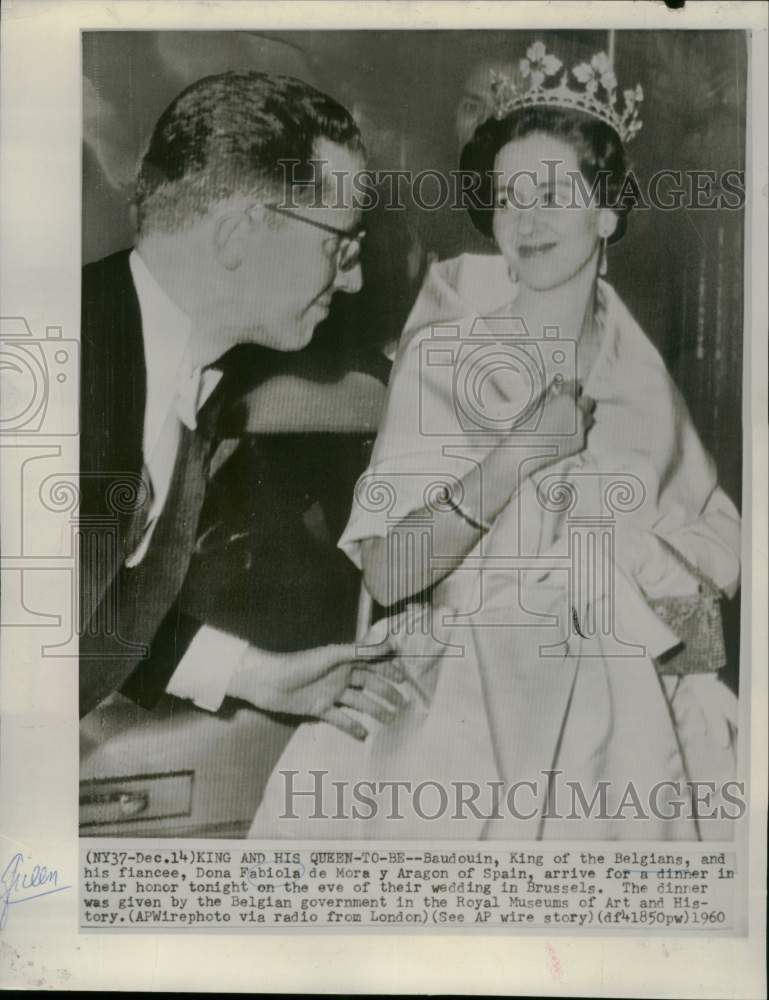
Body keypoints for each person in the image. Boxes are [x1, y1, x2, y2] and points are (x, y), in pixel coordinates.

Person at [250, 43, 741, 840]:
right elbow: (390, 565)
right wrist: (515, 456)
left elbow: (701, 601)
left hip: (626, 728)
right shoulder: (444, 352)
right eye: (508, 196)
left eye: (553, 192)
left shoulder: (642, 371)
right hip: (467, 709)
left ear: (605, 211)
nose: (526, 217)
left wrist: (643, 604)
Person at [79, 71, 403, 739]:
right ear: (239, 234)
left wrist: (253, 674)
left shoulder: (184, 376)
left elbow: (72, 625)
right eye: (337, 243)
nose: (355, 277)